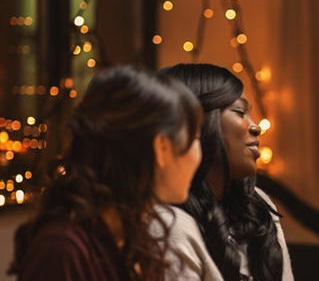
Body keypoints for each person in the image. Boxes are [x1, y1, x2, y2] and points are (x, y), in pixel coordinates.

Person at [9, 65, 203, 280]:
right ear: (162, 148)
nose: (199, 152)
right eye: (195, 138)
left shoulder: (135, 237)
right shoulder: (64, 250)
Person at [158, 63, 293, 281]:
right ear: (196, 124)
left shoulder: (258, 206)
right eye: (240, 112)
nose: (256, 126)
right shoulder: (168, 224)